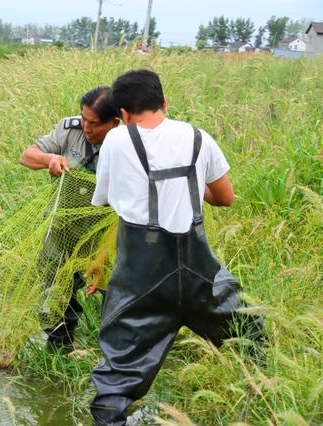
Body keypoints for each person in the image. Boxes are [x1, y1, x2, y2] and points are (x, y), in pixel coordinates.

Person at [87, 69, 263, 425]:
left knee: (115, 379)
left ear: (121, 115)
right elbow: (224, 198)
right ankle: (259, 408)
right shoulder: (199, 137)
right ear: (164, 103)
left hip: (141, 279)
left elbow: (105, 200)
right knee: (252, 334)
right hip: (201, 274)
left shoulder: (116, 143)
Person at [19, 86, 120, 349]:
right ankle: (60, 348)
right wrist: (49, 158)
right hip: (63, 228)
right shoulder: (70, 129)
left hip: (104, 234)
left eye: (94, 124)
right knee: (55, 287)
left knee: (114, 291)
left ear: (115, 123)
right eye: (83, 119)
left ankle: (114, 352)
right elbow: (27, 156)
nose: (86, 127)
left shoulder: (126, 145)